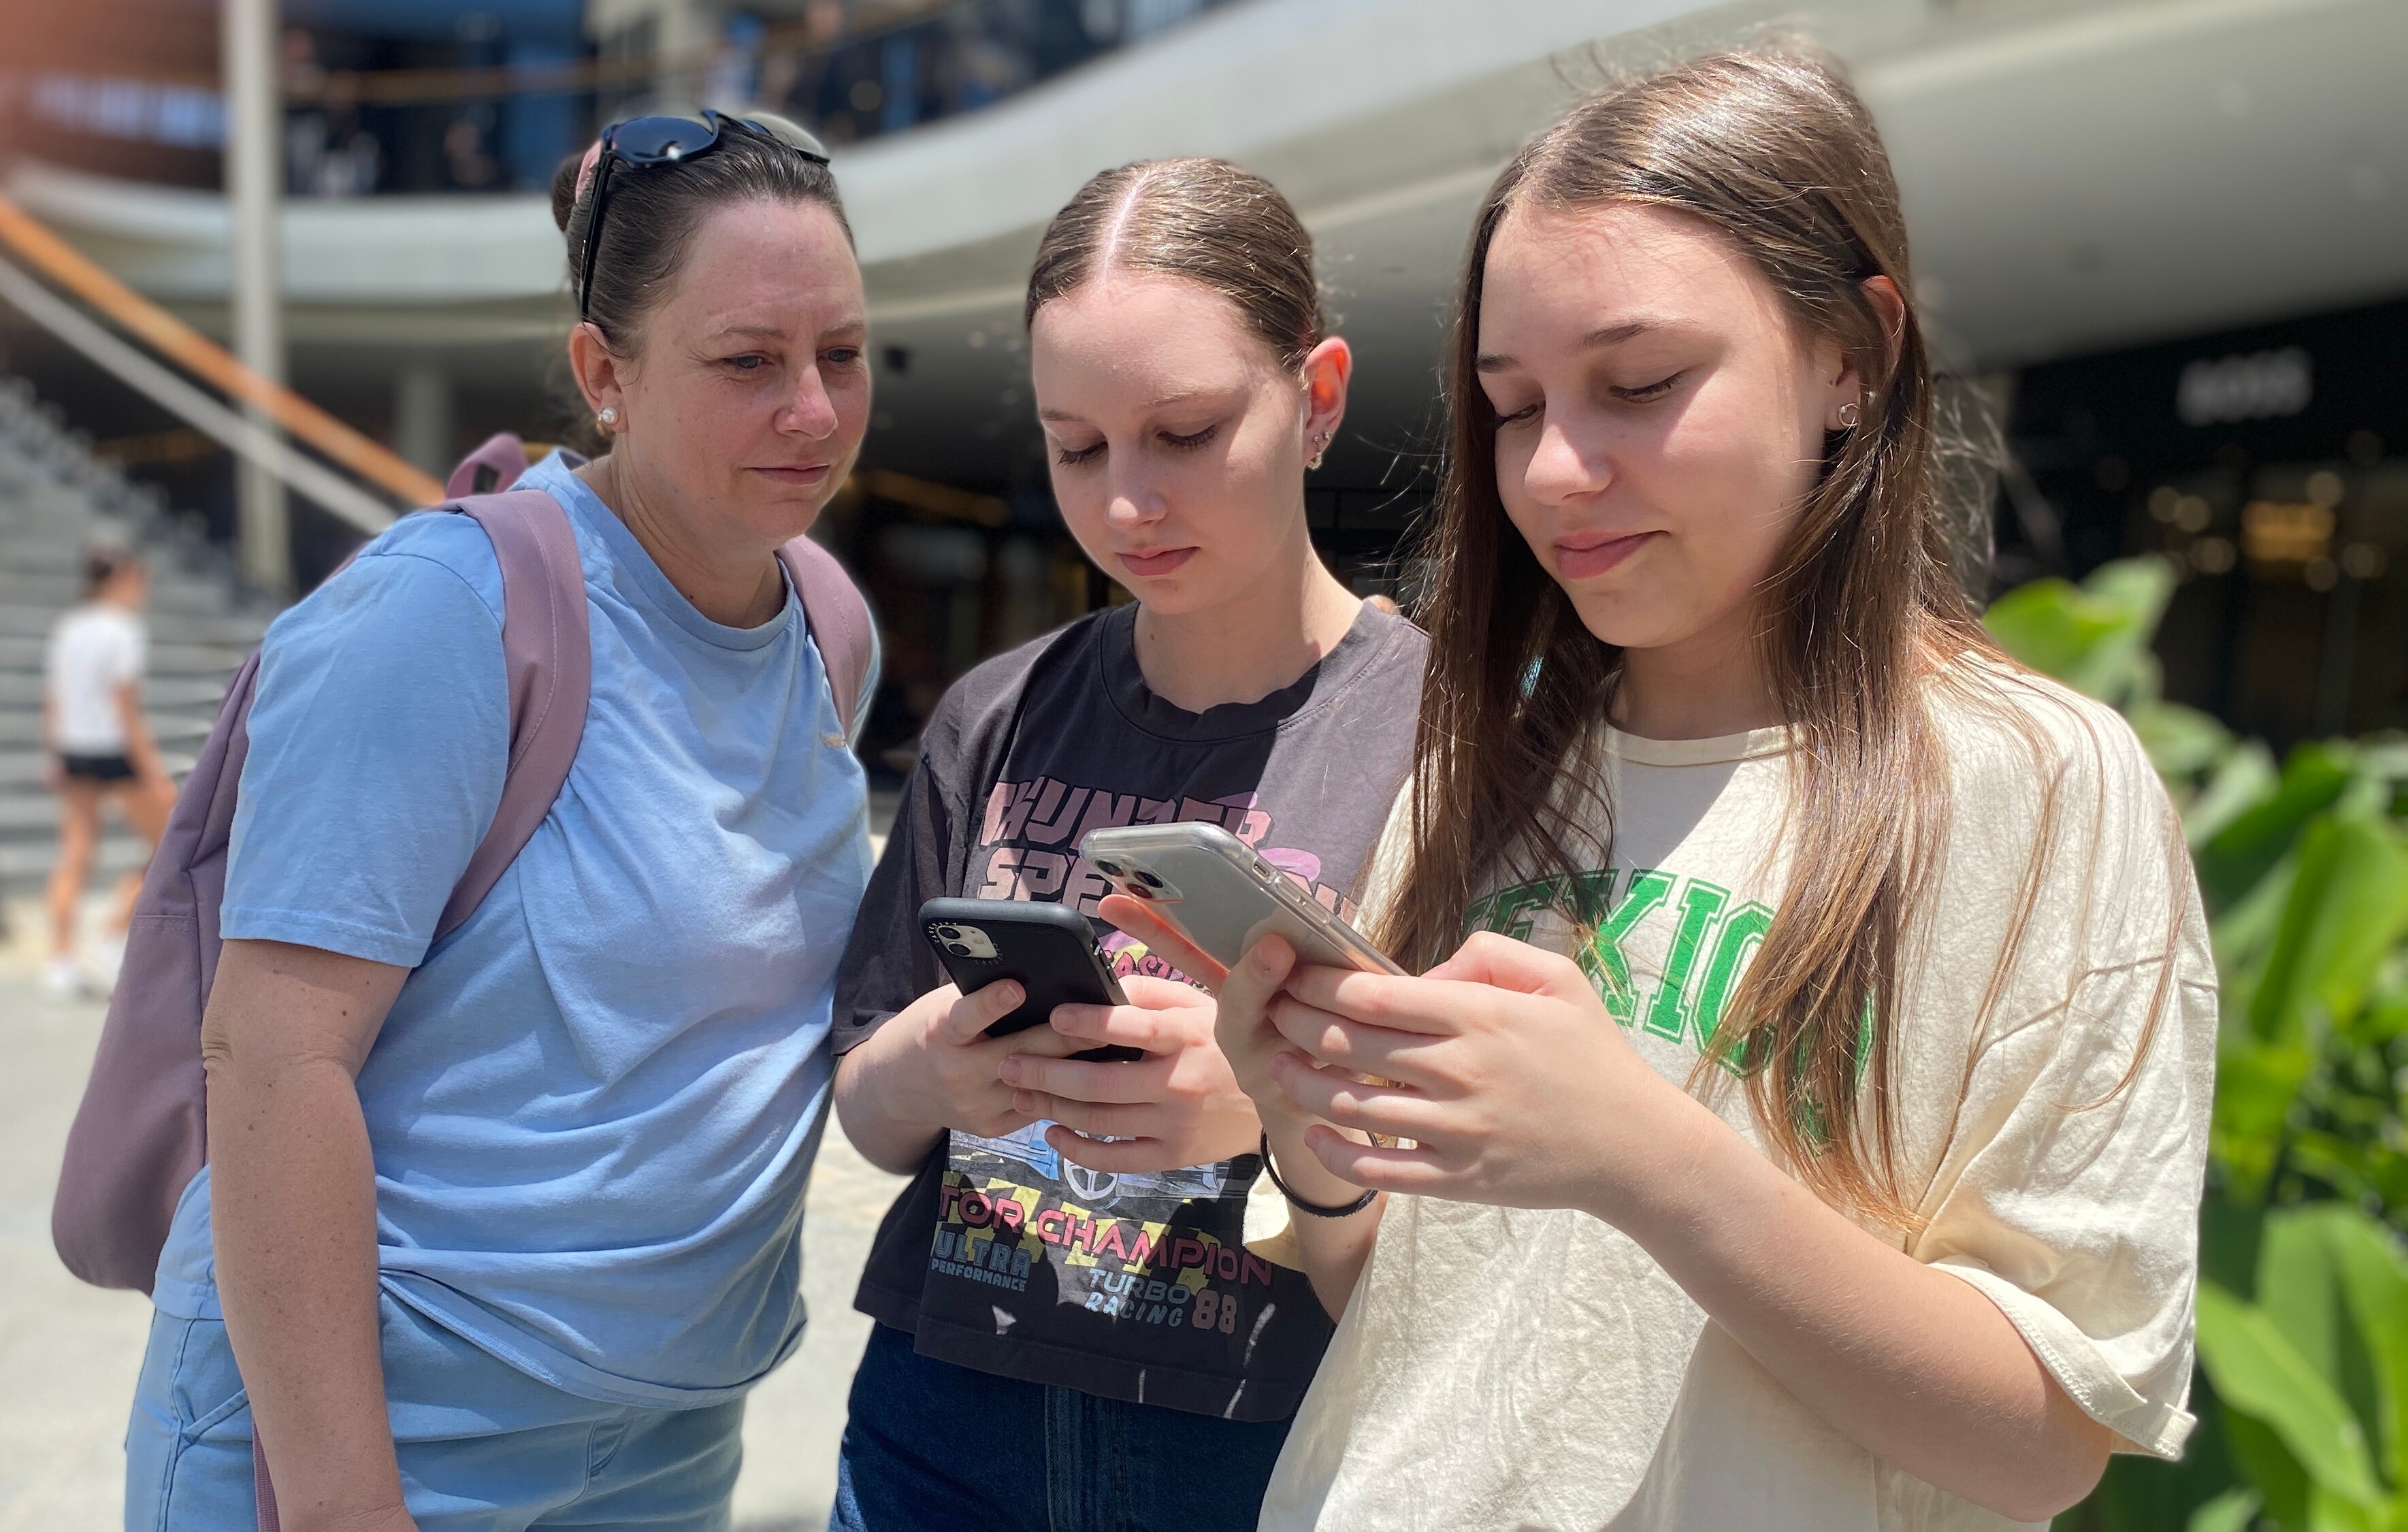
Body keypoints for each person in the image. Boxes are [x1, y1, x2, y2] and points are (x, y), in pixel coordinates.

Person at [1113, 50, 2215, 1532]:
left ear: (1849, 357)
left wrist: (1644, 1161)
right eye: (1511, 405)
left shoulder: (2035, 788)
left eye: (1637, 384)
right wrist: (1308, 1132)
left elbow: (2044, 1442)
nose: (1556, 471)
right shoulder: (1483, 758)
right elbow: (1405, 1301)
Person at [124, 112, 874, 1531]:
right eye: (747, 361)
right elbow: (274, 1053)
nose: (815, 411)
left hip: (667, 1441)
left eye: (841, 353)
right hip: (380, 1435)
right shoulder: (446, 610)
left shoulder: (824, 626)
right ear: (606, 373)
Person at [827, 159, 1428, 1532]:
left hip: (1262, 1438)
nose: (1125, 506)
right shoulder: (1002, 708)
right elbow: (864, 1112)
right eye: (1077, 446)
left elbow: (1492, 1178)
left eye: (1185, 431)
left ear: (1316, 398)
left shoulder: (1445, 734)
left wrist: (1267, 1102)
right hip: (944, 1418)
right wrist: (938, 1061)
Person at [42, 544, 176, 996]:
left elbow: (55, 697)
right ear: (119, 580)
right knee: (169, 843)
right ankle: (113, 932)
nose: (143, 590)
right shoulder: (123, 630)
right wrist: (153, 771)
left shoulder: (70, 625)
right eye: (139, 581)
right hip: (114, 751)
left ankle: (59, 961)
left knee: (75, 854)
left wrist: (55, 751)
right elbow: (125, 707)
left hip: (74, 748)